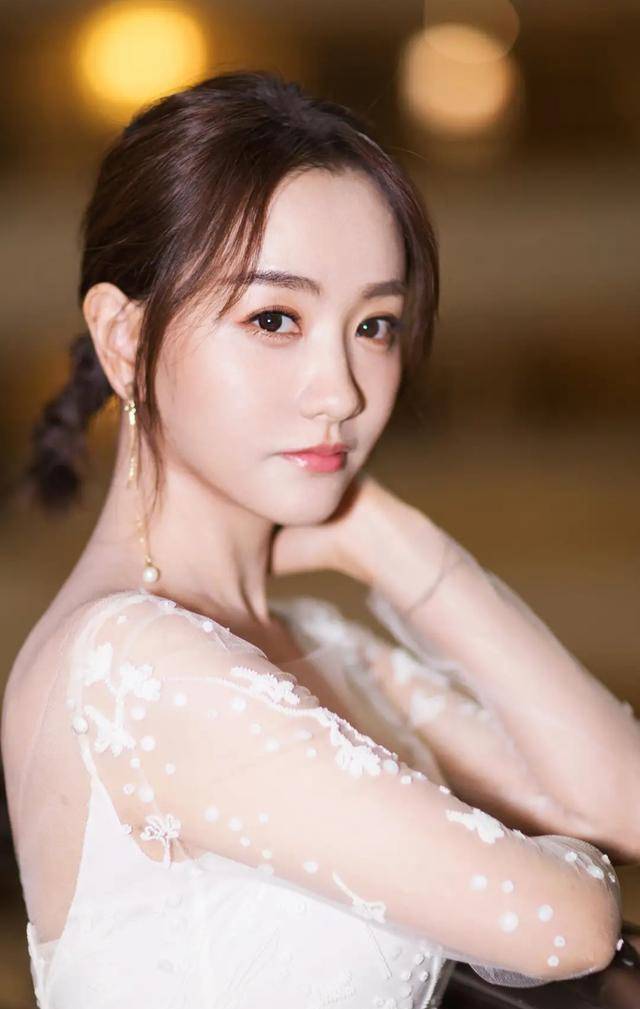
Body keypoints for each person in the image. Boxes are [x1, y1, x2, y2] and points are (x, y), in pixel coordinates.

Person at [1, 69, 638, 1009]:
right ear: (125, 339)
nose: (341, 390)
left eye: (374, 324)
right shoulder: (132, 664)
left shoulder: (315, 640)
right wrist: (572, 870)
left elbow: (624, 805)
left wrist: (394, 544)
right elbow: (565, 925)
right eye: (275, 319)